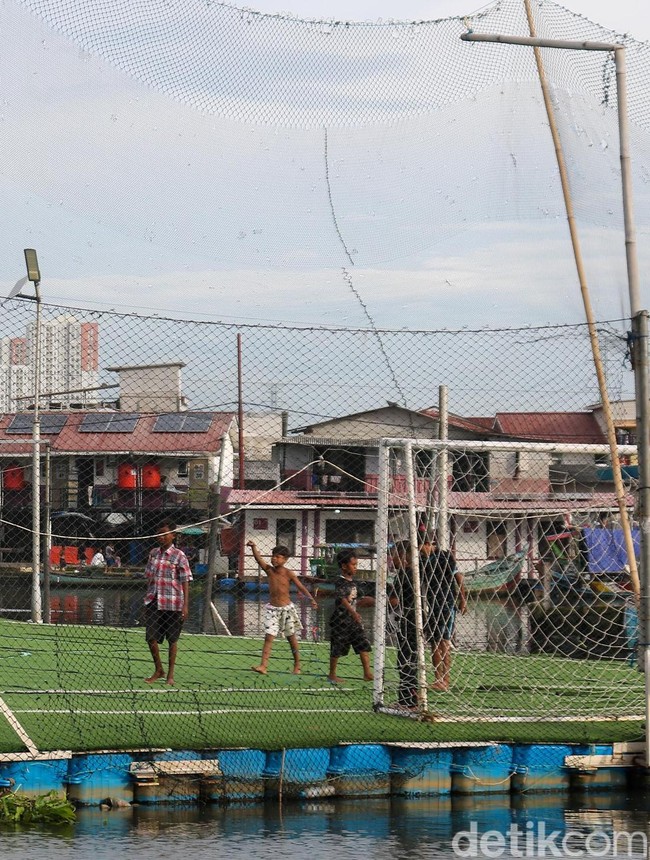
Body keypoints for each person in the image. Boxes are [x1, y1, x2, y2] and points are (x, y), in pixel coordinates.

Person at [247, 540, 317, 675]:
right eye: (273, 556)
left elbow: (300, 587)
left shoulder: (288, 573)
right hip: (272, 610)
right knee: (269, 637)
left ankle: (297, 665)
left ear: (285, 560)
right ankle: (263, 665)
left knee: (291, 638)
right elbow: (258, 559)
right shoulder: (269, 571)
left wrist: (311, 599)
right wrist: (254, 547)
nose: (274, 558)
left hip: (287, 610)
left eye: (278, 556)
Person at [143, 520, 193, 686]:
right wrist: (147, 597)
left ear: (173, 535)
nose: (161, 536)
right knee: (151, 637)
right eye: (159, 533)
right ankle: (159, 669)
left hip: (173, 602)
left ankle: (170, 675)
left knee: (172, 639)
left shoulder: (179, 555)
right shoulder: (153, 553)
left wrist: (185, 605)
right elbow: (149, 577)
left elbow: (185, 580)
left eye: (165, 533)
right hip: (154, 600)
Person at [420, 536, 467, 692]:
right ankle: (437, 679)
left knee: (444, 642)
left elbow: (458, 577)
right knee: (434, 641)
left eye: (421, 546)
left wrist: (463, 599)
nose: (419, 550)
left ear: (428, 544)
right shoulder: (421, 560)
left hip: (446, 604)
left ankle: (446, 679)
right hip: (432, 604)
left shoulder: (444, 557)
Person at [328, 549, 374, 683]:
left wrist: (369, 600)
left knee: (362, 644)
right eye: (353, 565)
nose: (355, 568)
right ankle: (332, 674)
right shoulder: (340, 582)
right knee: (337, 647)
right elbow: (342, 599)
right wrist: (353, 612)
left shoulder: (354, 583)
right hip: (341, 620)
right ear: (344, 566)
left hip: (354, 622)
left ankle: (367, 673)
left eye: (356, 565)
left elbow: (357, 599)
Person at [388, 541, 419, 710]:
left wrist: (375, 600)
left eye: (394, 555)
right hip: (417, 619)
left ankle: (408, 702)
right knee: (411, 659)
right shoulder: (416, 573)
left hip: (409, 621)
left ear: (403, 556)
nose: (392, 559)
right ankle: (409, 699)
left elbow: (394, 601)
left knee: (405, 660)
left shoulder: (403, 574)